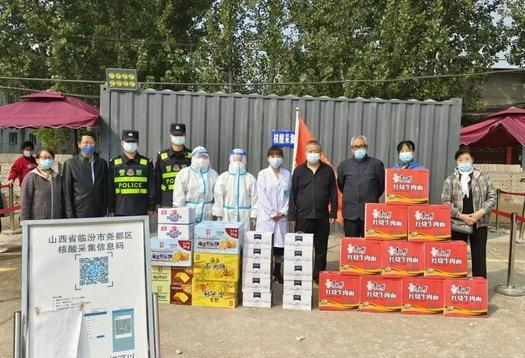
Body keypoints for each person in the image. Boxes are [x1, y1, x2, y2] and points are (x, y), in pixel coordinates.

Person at [441, 146, 496, 279]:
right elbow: (445, 201)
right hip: (458, 222)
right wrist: (460, 215)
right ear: (456, 162)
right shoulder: (450, 180)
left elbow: (492, 197)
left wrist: (480, 213)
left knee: (479, 256)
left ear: (472, 160)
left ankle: (478, 289)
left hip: (479, 222)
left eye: (467, 159)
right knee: (457, 256)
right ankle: (456, 287)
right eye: (460, 160)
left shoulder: (483, 178)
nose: (464, 162)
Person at [289, 140, 337, 284]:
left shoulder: (327, 170)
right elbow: (293, 194)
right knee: (302, 247)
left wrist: (333, 213)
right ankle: (302, 274)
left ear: (320, 153)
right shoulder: (298, 171)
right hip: (303, 216)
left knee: (321, 248)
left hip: (322, 216)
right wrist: (292, 215)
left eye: (316, 151)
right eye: (310, 151)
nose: (313, 154)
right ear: (305, 153)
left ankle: (318, 275)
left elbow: (334, 193)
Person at [337, 135, 385, 238]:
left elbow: (381, 186)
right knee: (352, 246)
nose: (359, 149)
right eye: (356, 147)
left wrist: (371, 196)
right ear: (351, 149)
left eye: (361, 146)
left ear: (366, 147)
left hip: (370, 213)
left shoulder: (377, 164)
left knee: (369, 247)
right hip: (350, 213)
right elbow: (341, 185)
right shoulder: (344, 165)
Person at [256, 146, 291, 284]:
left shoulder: (287, 174)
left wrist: (283, 211)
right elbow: (262, 195)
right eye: (273, 156)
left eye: (278, 156)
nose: (276, 159)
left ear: (282, 158)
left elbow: (289, 195)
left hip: (282, 215)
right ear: (268, 158)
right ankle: (265, 272)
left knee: (279, 247)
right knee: (266, 245)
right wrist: (272, 213)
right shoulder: (262, 174)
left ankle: (277, 270)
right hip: (267, 216)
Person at [107, 130, 156, 216]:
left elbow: (151, 187)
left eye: (133, 141)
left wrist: (151, 206)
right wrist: (111, 208)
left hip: (141, 209)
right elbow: (110, 188)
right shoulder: (114, 163)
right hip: (120, 210)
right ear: (122, 143)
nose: (131, 144)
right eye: (128, 141)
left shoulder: (146, 163)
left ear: (138, 143)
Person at [63, 131, 108, 218]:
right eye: (85, 142)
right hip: (79, 211)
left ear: (95, 144)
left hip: (99, 211)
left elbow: (105, 188)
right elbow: (67, 192)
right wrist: (70, 215)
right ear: (79, 144)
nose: (89, 145)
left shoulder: (102, 163)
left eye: (91, 142)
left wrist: (105, 210)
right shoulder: (70, 163)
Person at [212, 148, 258, 230]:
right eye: (235, 159)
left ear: (244, 160)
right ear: (231, 160)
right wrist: (219, 215)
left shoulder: (250, 178)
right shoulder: (223, 177)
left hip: (244, 216)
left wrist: (253, 216)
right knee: (227, 240)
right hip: (227, 215)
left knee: (244, 239)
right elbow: (218, 197)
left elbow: (255, 198)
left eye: (240, 159)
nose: (237, 162)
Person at [173, 146, 218, 223]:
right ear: (193, 158)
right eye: (199, 157)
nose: (202, 159)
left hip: (207, 213)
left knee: (205, 234)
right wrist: (182, 215)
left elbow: (217, 196)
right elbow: (178, 198)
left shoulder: (213, 174)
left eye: (204, 157)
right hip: (188, 212)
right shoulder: (183, 173)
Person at [20, 148, 63, 220]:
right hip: (38, 223)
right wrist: (25, 223)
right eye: (44, 157)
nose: (47, 160)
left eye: (50, 158)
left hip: (56, 222)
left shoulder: (58, 178)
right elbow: (25, 202)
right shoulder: (31, 177)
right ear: (37, 160)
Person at [155, 123, 192, 208]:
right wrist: (157, 202)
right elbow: (157, 180)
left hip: (187, 201)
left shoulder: (192, 156)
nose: (178, 137)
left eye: (180, 135)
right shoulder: (162, 156)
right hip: (167, 201)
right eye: (175, 135)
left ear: (185, 136)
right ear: (170, 136)